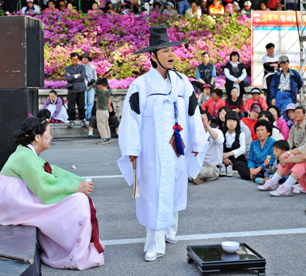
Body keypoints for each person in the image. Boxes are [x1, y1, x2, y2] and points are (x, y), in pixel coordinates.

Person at [117, 25, 207, 262]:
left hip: (177, 149)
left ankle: (170, 231)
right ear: (153, 56)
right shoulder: (141, 85)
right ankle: (154, 244)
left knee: (175, 189)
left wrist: (197, 141)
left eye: (171, 50)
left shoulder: (182, 82)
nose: (171, 54)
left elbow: (192, 113)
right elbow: (131, 120)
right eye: (165, 50)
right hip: (152, 153)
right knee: (155, 194)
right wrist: (132, 151)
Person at [0, 117, 104, 270]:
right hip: (11, 205)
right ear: (38, 138)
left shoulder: (26, 153)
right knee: (78, 201)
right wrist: (77, 186)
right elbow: (45, 186)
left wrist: (78, 181)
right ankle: (73, 253)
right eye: (49, 133)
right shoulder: (26, 158)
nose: (51, 137)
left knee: (75, 198)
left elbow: (51, 172)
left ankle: (70, 247)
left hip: (13, 200)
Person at [261, 120, 306, 196]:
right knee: (291, 156)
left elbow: (304, 157)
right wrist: (284, 154)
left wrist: (286, 160)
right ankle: (273, 182)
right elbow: (294, 151)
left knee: (304, 161)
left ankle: (286, 188)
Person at [190, 110, 224, 185]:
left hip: (213, 167)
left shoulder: (217, 131)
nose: (200, 122)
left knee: (199, 171)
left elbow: (220, 140)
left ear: (209, 122)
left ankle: (194, 177)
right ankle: (193, 177)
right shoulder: (195, 134)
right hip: (199, 165)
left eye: (203, 120)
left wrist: (206, 126)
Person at [221, 111, 250, 180]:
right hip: (222, 157)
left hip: (236, 159)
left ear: (237, 123)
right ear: (226, 122)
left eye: (234, 121)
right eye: (229, 120)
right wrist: (224, 158)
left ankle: (230, 165)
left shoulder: (241, 134)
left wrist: (228, 154)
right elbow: (217, 148)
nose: (232, 123)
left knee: (236, 144)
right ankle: (224, 165)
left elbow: (243, 149)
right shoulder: (221, 133)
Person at [64, 53, 87, 128]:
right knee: (71, 106)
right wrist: (77, 75)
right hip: (72, 90)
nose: (75, 61)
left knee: (81, 105)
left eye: (76, 60)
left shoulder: (82, 67)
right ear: (71, 59)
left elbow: (83, 77)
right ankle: (71, 120)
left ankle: (82, 119)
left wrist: (72, 76)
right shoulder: (68, 68)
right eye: (73, 60)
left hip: (81, 89)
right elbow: (67, 78)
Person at [94, 78, 112, 145]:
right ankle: (108, 137)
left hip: (101, 111)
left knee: (101, 125)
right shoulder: (109, 91)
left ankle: (104, 139)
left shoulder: (100, 92)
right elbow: (108, 87)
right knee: (106, 124)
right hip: (106, 111)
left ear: (100, 85)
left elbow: (94, 86)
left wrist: (97, 80)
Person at [82, 53, 97, 121]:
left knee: (91, 102)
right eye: (83, 58)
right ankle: (84, 116)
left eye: (86, 58)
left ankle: (90, 116)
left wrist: (93, 81)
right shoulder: (80, 67)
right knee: (84, 102)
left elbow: (95, 77)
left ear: (88, 59)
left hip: (91, 87)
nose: (85, 59)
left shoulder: (92, 67)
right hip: (83, 86)